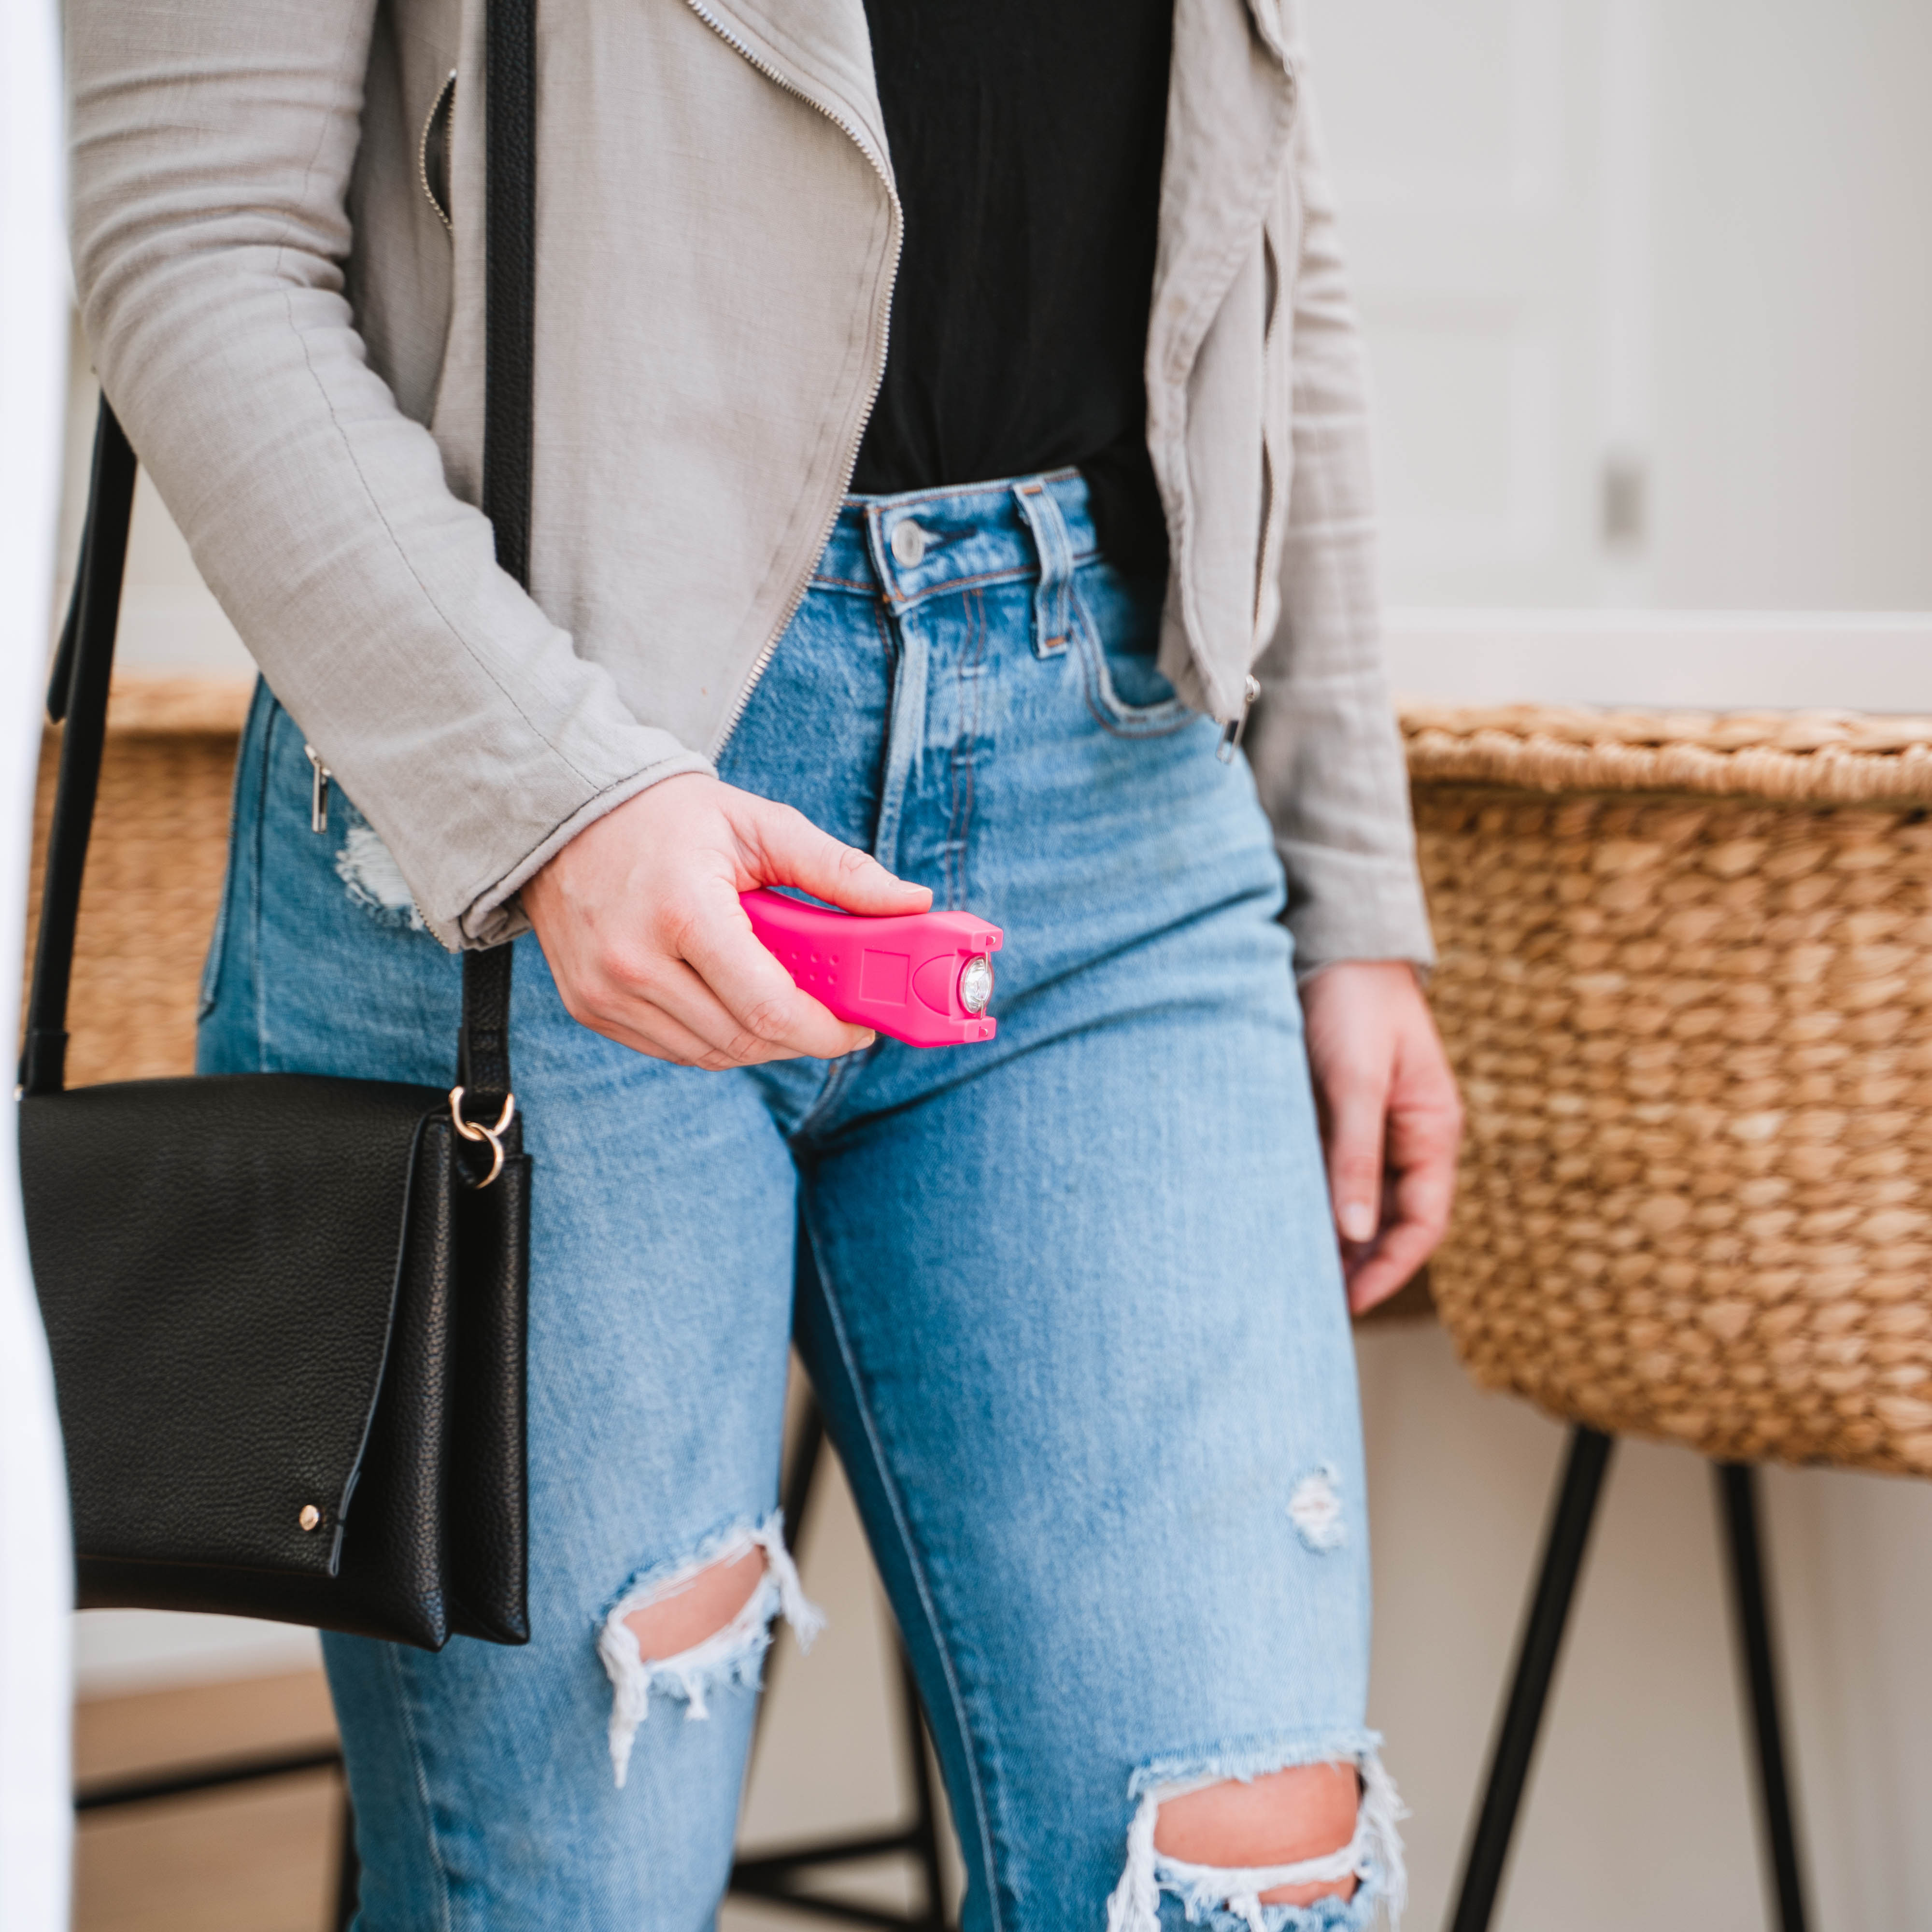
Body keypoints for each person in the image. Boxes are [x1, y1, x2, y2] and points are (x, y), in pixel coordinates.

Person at [66, 0, 1462, 1924]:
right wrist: (555, 797)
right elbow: (190, 243)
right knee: (579, 1888)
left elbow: (1254, 208)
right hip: (537, 801)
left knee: (1252, 1873)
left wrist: (1343, 871)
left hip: (1111, 785)